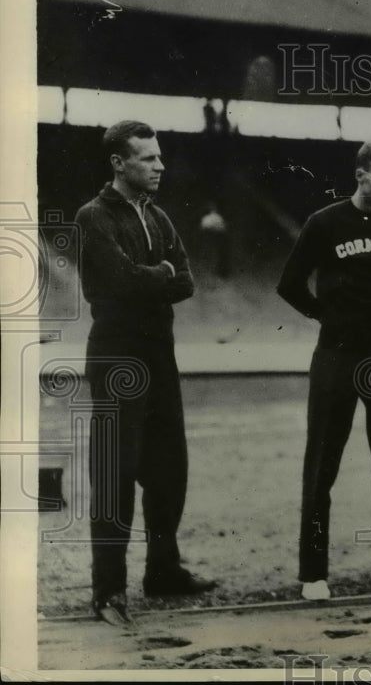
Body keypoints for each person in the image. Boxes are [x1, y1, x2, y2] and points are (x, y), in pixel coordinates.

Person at [277, 139, 371, 600]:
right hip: (336, 354)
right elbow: (289, 284)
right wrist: (328, 316)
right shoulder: (324, 223)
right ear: (361, 175)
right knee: (322, 464)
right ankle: (313, 574)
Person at [76, 120, 217, 626]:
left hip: (160, 354)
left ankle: (163, 571)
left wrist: (152, 277)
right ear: (119, 163)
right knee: (115, 473)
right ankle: (107, 591)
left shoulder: (158, 217)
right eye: (148, 158)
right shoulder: (93, 216)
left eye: (159, 157)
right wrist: (159, 275)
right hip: (117, 357)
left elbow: (188, 282)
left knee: (169, 468)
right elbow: (119, 281)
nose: (160, 166)